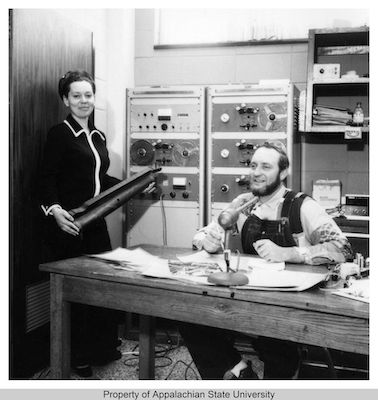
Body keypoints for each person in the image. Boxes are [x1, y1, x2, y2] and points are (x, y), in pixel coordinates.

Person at [180, 141, 353, 380]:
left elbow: (343, 248)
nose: (257, 172)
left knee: (279, 348)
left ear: (283, 173)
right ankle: (240, 375)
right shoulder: (243, 204)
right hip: (247, 297)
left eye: (266, 167)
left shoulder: (302, 206)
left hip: (288, 307)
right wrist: (205, 241)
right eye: (253, 165)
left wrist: (291, 254)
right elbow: (206, 232)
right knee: (189, 318)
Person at [39, 70, 122, 377]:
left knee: (101, 287)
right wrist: (55, 211)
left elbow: (99, 180)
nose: (83, 101)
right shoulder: (59, 133)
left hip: (95, 222)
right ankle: (78, 355)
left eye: (88, 95)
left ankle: (102, 348)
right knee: (77, 294)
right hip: (69, 224)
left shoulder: (97, 136)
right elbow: (45, 179)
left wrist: (136, 184)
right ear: (66, 100)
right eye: (76, 95)